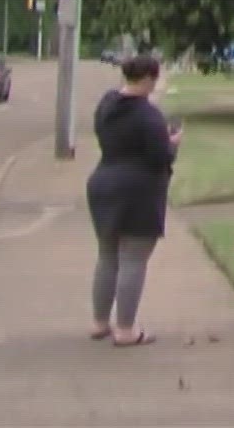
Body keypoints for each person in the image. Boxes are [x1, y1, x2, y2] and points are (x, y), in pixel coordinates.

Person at [85, 54, 179, 347]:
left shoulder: (107, 105)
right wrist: (173, 144)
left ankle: (100, 322)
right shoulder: (148, 115)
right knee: (133, 259)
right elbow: (158, 157)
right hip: (137, 189)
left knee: (107, 255)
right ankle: (125, 329)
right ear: (149, 78)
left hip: (103, 182)